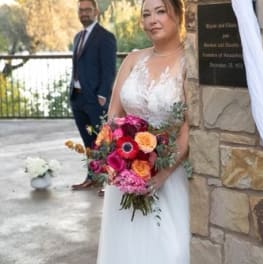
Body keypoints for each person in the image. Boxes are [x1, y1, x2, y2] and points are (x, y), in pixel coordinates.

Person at [97, 0, 190, 263]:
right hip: (125, 174)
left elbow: (188, 125)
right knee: (125, 249)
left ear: (178, 15)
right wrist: (113, 159)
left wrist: (163, 173)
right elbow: (113, 117)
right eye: (146, 14)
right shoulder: (133, 59)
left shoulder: (188, 62)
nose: (152, 20)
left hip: (168, 174)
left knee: (171, 249)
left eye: (161, 12)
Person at [69, 0, 117, 190]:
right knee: (88, 142)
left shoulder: (105, 37)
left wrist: (103, 95)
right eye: (81, 10)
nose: (84, 14)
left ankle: (109, 182)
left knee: (103, 141)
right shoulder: (77, 37)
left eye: (88, 10)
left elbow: (109, 70)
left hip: (96, 100)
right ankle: (92, 177)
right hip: (78, 98)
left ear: (96, 11)